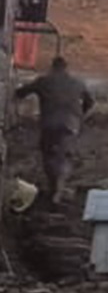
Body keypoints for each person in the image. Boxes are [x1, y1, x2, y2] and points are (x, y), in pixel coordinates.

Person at [13, 56, 95, 203]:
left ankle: (53, 186)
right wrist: (80, 115)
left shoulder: (43, 81)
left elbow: (21, 92)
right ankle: (59, 187)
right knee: (65, 156)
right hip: (70, 124)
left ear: (52, 67)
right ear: (66, 68)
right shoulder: (77, 83)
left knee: (49, 154)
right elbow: (90, 102)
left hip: (49, 123)